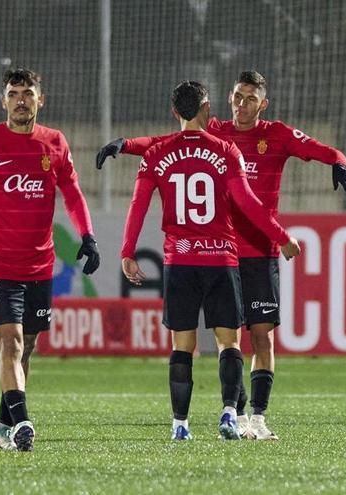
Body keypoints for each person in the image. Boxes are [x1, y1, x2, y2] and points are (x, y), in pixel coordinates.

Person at [97, 70, 346, 440]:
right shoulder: (217, 133)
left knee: (262, 335)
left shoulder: (277, 134)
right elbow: (166, 141)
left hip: (261, 251)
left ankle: (257, 416)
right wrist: (126, 144)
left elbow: (324, 150)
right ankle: (233, 413)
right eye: (237, 96)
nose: (241, 104)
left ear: (262, 104)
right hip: (226, 252)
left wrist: (339, 162)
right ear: (226, 100)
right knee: (231, 336)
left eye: (250, 99)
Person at [121, 80, 300, 441]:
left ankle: (180, 426)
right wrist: (283, 237)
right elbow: (249, 204)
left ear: (175, 112)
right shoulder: (226, 150)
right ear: (206, 109)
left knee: (181, 346)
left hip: (179, 261)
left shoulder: (156, 154)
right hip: (220, 258)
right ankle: (230, 414)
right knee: (229, 343)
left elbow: (137, 206)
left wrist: (128, 251)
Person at [0, 68, 100, 452]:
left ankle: (2, 427)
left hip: (40, 264)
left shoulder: (55, 143)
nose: (21, 99)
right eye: (14, 93)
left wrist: (88, 235)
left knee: (25, 347)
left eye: (28, 93)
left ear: (40, 100)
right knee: (9, 343)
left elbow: (74, 194)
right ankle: (23, 422)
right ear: (4, 101)